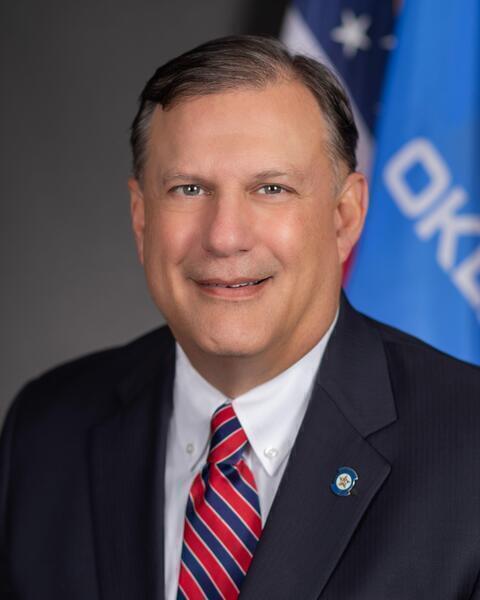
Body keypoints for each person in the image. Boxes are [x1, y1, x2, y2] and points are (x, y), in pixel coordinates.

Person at [1, 34, 479, 600]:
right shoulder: (46, 430)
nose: (225, 236)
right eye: (189, 188)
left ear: (345, 217)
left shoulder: (467, 448)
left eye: (271, 188)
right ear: (141, 218)